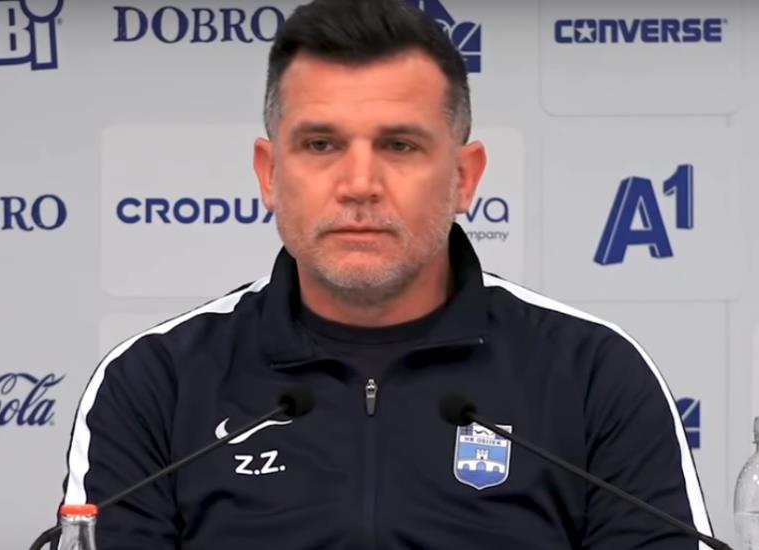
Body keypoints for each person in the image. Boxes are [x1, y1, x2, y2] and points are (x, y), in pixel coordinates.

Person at [58, 0, 713, 548]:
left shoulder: (592, 373)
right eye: (321, 145)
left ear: (464, 178)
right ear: (269, 174)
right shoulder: (156, 382)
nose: (359, 184)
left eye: (399, 146)